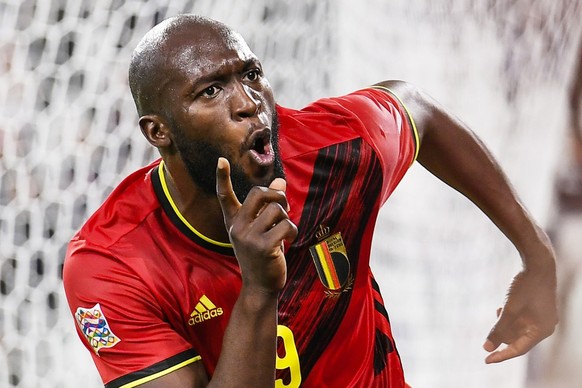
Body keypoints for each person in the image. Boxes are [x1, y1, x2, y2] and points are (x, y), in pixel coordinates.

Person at [63, 14, 558, 388]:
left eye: (251, 73)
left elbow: (418, 110)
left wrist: (537, 256)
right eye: (211, 90)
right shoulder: (113, 263)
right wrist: (259, 290)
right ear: (158, 132)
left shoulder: (331, 151)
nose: (248, 101)